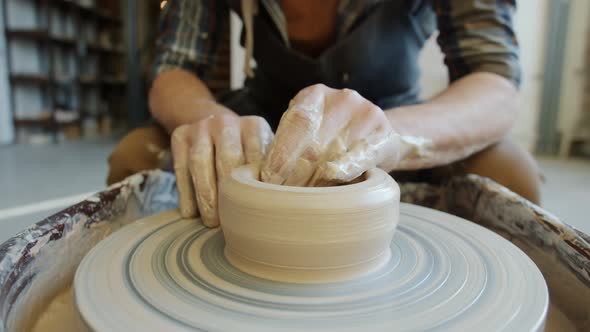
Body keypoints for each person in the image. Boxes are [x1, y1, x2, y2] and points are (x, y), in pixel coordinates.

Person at [107, 0, 542, 227]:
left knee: (508, 173)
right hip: (267, 116)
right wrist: (205, 116)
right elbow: (174, 67)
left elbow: (495, 80)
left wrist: (393, 136)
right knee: (137, 156)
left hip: (397, 115)